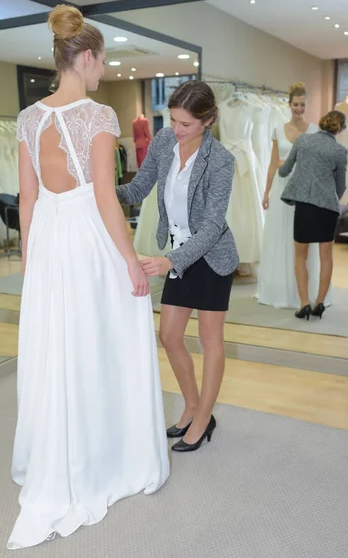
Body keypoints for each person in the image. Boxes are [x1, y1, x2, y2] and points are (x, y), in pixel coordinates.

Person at [9, 5, 169, 550]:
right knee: (104, 339)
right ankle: (108, 455)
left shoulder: (29, 118)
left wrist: (30, 261)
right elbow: (104, 196)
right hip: (86, 239)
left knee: (58, 343)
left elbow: (28, 198)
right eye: (103, 62)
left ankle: (63, 454)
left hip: (50, 241)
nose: (105, 71)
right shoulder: (98, 117)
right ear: (87, 57)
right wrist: (129, 259)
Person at [117, 81, 239, 453]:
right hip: (180, 254)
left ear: (208, 120)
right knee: (169, 336)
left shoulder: (221, 160)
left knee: (209, 340)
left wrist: (172, 260)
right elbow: (138, 189)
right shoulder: (163, 142)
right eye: (173, 120)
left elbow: (213, 225)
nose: (177, 129)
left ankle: (203, 416)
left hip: (212, 257)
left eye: (186, 124)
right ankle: (190, 404)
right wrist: (99, 192)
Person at [257, 82, 330, 309]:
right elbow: (272, 163)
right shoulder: (279, 130)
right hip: (281, 189)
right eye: (296, 104)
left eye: (303, 104)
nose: (299, 108)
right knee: (281, 236)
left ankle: (305, 293)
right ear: (289, 105)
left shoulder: (314, 131)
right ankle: (281, 289)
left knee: (303, 242)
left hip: (305, 191)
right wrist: (266, 191)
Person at [279, 110, 348, 320]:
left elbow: (284, 171)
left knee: (301, 256)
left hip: (305, 207)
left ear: (321, 123)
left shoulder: (303, 141)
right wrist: (329, 196)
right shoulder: (340, 150)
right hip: (328, 208)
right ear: (341, 129)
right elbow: (341, 186)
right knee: (326, 257)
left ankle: (303, 304)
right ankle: (319, 303)